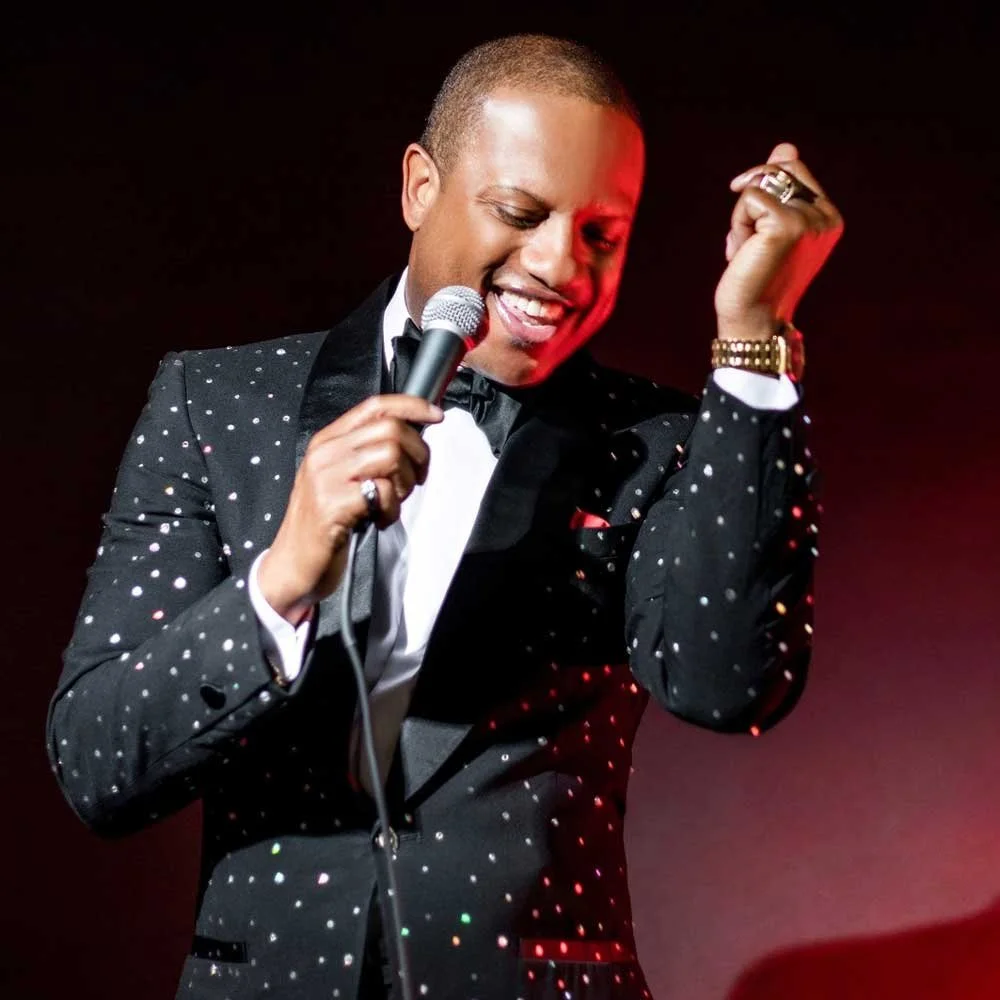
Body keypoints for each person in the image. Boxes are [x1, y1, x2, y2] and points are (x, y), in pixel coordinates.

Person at [46, 33, 842, 1000]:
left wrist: (754, 340)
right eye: (520, 211)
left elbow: (732, 682)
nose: (562, 265)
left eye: (603, 234)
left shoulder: (658, 442)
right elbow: (96, 762)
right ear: (421, 186)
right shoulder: (215, 405)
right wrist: (282, 578)